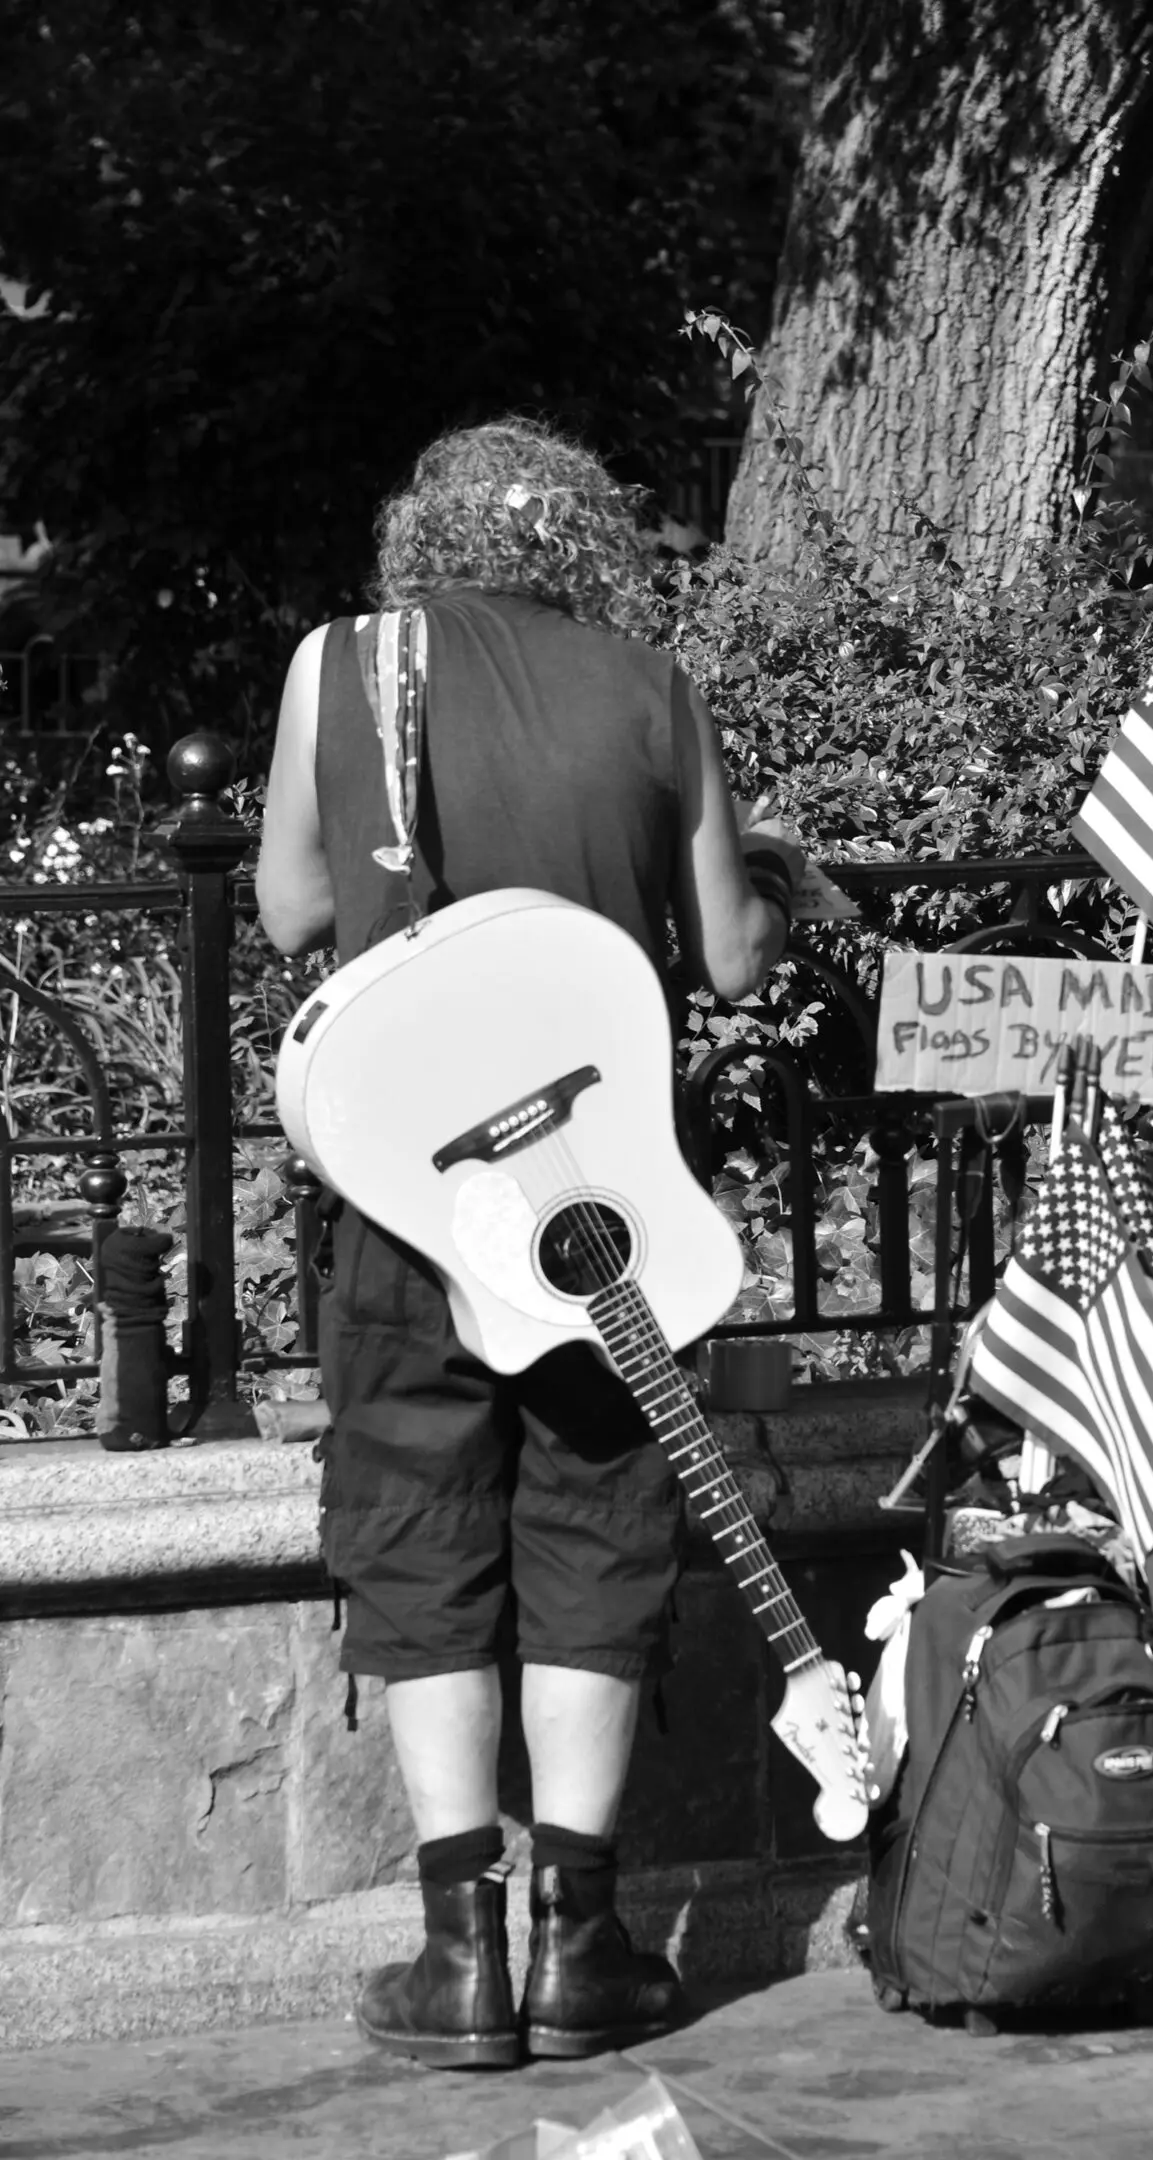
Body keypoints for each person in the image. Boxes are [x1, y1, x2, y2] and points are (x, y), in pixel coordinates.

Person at [255, 418, 803, 2071]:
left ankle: (457, 1954)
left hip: (416, 1197)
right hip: (605, 1205)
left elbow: (288, 911)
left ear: (417, 540)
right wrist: (778, 887)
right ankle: (582, 1943)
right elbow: (726, 960)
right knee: (598, 1525)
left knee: (420, 1523)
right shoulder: (650, 685)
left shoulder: (341, 665)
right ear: (587, 543)